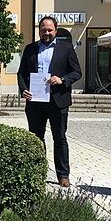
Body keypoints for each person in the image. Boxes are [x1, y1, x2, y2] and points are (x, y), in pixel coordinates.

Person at [17, 16, 82, 188]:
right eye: (43, 30)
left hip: (58, 101)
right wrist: (23, 89)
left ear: (56, 30)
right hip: (35, 101)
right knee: (36, 139)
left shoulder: (66, 48)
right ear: (39, 30)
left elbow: (77, 72)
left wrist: (62, 79)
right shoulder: (30, 49)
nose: (46, 33)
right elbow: (21, 73)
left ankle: (63, 175)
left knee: (59, 138)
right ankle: (38, 172)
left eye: (50, 30)